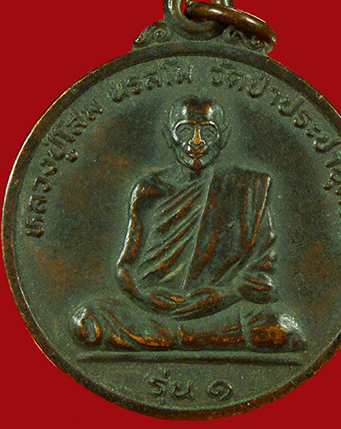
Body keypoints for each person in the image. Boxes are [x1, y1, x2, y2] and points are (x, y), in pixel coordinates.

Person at [71, 98, 306, 352]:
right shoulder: (149, 189)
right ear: (168, 136)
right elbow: (125, 267)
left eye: (208, 132)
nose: (196, 142)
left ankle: (167, 338)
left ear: (224, 137)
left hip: (221, 309)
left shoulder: (248, 189)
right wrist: (144, 297)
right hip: (153, 309)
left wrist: (226, 294)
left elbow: (264, 281)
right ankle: (191, 337)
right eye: (184, 131)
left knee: (278, 325)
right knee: (88, 319)